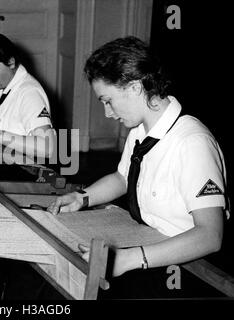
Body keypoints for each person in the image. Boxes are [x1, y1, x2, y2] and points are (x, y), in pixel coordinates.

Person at [47, 36, 229, 298]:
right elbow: (123, 178)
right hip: (149, 246)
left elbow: (210, 236)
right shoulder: (141, 131)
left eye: (107, 100)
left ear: (134, 87)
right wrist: (82, 198)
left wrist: (129, 260)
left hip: (186, 269)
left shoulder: (191, 143)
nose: (108, 113)